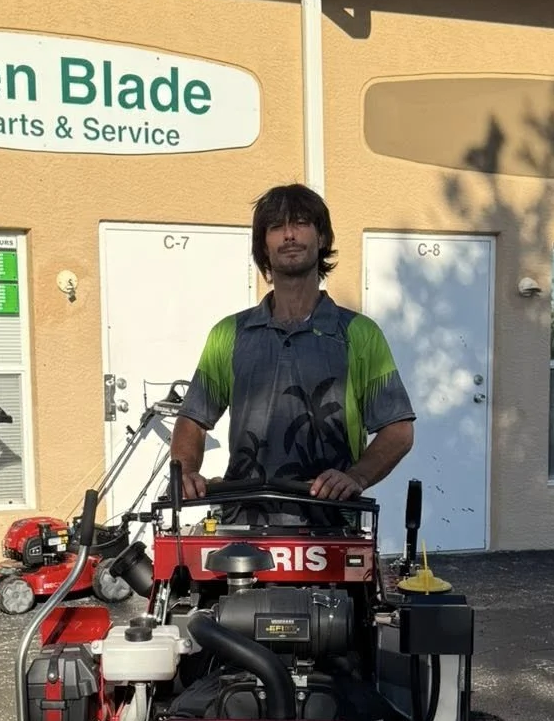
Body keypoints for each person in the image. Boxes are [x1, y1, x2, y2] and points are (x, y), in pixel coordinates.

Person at [170, 183, 415, 510]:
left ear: (322, 238)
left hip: (332, 525)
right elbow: (193, 419)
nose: (289, 235)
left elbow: (398, 429)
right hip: (245, 521)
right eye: (276, 227)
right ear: (263, 245)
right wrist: (186, 472)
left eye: (300, 223)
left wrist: (357, 477)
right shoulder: (229, 334)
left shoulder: (359, 334)